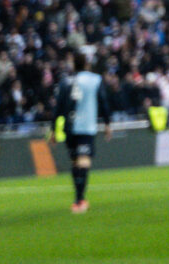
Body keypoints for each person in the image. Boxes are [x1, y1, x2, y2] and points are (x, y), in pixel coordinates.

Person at [60, 48, 114, 214]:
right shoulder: (95, 79)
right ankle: (79, 200)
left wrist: (54, 128)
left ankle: (78, 199)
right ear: (86, 63)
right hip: (86, 126)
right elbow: (103, 101)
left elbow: (59, 106)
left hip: (69, 127)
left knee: (75, 161)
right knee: (84, 161)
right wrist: (107, 123)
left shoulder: (67, 80)